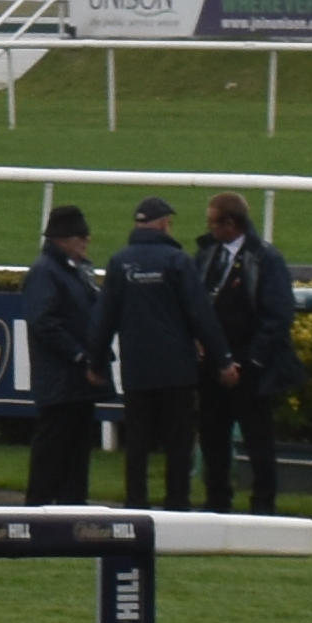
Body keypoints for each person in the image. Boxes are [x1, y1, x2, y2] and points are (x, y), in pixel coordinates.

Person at [103, 197, 214, 509]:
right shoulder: (178, 261)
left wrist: (96, 359)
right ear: (164, 223)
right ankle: (177, 504)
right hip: (176, 369)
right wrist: (222, 358)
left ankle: (135, 504)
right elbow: (200, 315)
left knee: (137, 441)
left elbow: (104, 317)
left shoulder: (119, 261)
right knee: (178, 443)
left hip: (137, 369)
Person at [199, 191, 297, 513]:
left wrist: (250, 360)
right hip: (212, 363)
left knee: (258, 440)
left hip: (250, 366)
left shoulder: (266, 259)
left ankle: (263, 505)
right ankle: (217, 502)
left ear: (231, 223)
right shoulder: (206, 255)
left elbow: (279, 315)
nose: (209, 228)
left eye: (213, 222)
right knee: (212, 438)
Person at [18, 205, 109, 505]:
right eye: (80, 237)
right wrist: (79, 356)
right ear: (61, 239)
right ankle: (36, 515)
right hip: (59, 381)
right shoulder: (45, 271)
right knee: (52, 454)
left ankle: (72, 515)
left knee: (76, 455)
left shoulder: (76, 269)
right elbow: (42, 321)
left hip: (78, 381)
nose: (87, 241)